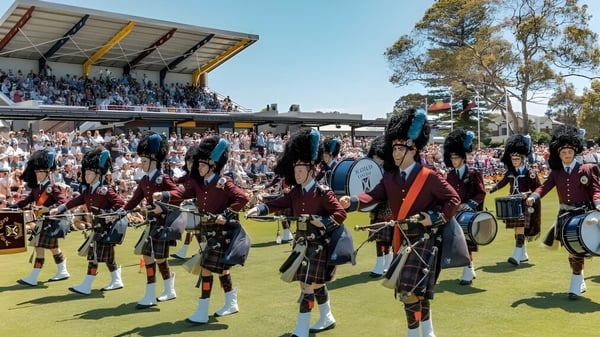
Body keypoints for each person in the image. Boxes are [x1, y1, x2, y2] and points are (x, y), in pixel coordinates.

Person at [339, 108, 460, 337]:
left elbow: (453, 199)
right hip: (401, 239)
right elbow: (372, 196)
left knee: (409, 291)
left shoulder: (430, 176)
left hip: (425, 238)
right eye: (393, 148)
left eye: (400, 148)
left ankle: (415, 333)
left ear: (413, 149)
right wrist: (352, 201)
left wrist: (434, 217)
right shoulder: (390, 178)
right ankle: (428, 331)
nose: (395, 153)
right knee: (416, 291)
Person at [247, 128, 347, 337]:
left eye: (300, 170)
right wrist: (260, 208)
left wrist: (322, 222)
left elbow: (340, 214)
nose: (296, 173)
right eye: (295, 170)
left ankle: (302, 329)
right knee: (316, 284)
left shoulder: (322, 192)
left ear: (311, 170)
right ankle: (327, 316)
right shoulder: (295, 192)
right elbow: (278, 202)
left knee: (306, 285)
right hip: (301, 244)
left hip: (318, 245)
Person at [160, 136, 250, 324]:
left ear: (212, 165)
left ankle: (202, 311)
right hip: (208, 231)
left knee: (207, 270)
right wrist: (165, 194)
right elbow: (183, 193)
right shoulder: (198, 183)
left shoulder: (223, 182)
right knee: (222, 271)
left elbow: (242, 198)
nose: (197, 168)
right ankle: (231, 302)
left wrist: (225, 214)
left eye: (202, 165)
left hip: (222, 232)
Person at [526, 125, 600, 299]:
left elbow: (596, 189)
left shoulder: (587, 169)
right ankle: (579, 279)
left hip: (584, 213)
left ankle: (575, 284)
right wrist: (534, 197)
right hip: (565, 215)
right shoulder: (556, 172)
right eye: (563, 153)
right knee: (571, 248)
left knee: (578, 249)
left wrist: (598, 203)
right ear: (558, 154)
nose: (567, 155)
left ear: (575, 151)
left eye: (569, 152)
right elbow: (544, 187)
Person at [50, 147, 126, 295]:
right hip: (97, 227)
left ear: (98, 173)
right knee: (107, 257)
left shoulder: (105, 190)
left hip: (107, 228)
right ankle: (116, 280)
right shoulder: (87, 191)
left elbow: (121, 204)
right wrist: (59, 209)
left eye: (90, 172)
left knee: (95, 256)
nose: (86, 175)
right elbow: (73, 202)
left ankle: (87, 285)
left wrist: (112, 214)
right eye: (86, 172)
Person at [120, 133, 183, 309]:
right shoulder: (144, 180)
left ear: (154, 160)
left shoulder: (163, 178)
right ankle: (151, 293)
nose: (141, 163)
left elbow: (179, 196)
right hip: (152, 224)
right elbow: (133, 201)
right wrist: (119, 213)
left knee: (160, 259)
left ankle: (169, 289)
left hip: (163, 223)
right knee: (148, 256)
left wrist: (162, 202)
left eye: (145, 160)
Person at [15, 149, 70, 286]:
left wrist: (49, 209)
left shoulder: (53, 187)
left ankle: (34, 277)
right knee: (52, 248)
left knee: (40, 247)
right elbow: (25, 201)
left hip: (50, 222)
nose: (37, 174)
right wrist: (13, 206)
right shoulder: (36, 188)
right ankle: (62, 270)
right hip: (42, 222)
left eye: (40, 171)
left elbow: (63, 202)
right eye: (36, 171)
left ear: (47, 172)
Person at [489, 134, 541, 266]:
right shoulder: (510, 172)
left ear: (523, 158)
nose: (515, 161)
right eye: (513, 159)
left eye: (517, 159)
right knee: (517, 229)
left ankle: (516, 255)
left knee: (519, 227)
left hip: (525, 203)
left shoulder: (531, 173)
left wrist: (527, 194)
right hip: (512, 202)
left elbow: (539, 189)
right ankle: (523, 254)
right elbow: (503, 182)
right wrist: (493, 189)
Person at [443, 129, 486, 285]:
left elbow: (481, 193)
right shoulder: (449, 175)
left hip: (470, 213)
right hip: (455, 214)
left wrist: (468, 204)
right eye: (452, 157)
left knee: (468, 243)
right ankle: (470, 267)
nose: (454, 160)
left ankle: (467, 270)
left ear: (463, 157)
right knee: (459, 243)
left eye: (456, 157)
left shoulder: (474, 173)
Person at [363, 135, 394, 278]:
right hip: (376, 207)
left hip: (388, 208)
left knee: (386, 237)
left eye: (379, 157)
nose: (376, 160)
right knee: (379, 237)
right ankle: (380, 263)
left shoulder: (391, 172)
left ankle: (387, 262)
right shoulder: (372, 171)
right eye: (374, 156)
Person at [170, 145, 199, 260]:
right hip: (189, 206)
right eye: (188, 162)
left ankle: (186, 251)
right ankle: (184, 251)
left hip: (197, 206)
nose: (189, 164)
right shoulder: (187, 176)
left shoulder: (199, 178)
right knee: (193, 230)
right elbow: (175, 181)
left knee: (195, 230)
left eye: (192, 162)